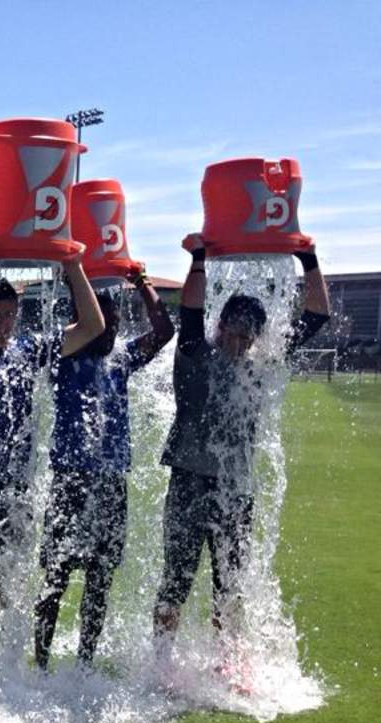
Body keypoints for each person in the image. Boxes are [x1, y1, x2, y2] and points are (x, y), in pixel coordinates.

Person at [151, 237, 330, 687]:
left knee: (229, 585)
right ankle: (161, 664)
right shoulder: (195, 356)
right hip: (189, 481)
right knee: (176, 579)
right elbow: (190, 313)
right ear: (220, 326)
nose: (237, 341)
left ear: (256, 336)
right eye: (232, 332)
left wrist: (308, 259)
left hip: (236, 489)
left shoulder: (259, 367)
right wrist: (198, 259)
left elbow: (317, 317)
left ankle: (229, 663)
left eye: (247, 336)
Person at [0, 249, 105, 695]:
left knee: (8, 582)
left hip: (16, 489)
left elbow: (92, 327)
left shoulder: (28, 352)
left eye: (9, 315)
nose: (2, 322)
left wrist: (73, 266)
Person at [33, 267, 175, 670]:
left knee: (100, 577)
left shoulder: (121, 359)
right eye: (102, 323)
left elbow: (164, 332)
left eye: (114, 323)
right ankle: (41, 662)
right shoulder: (62, 358)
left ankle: (85, 662)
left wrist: (143, 283)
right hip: (70, 482)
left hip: (110, 483)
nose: (111, 331)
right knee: (56, 576)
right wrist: (70, 276)